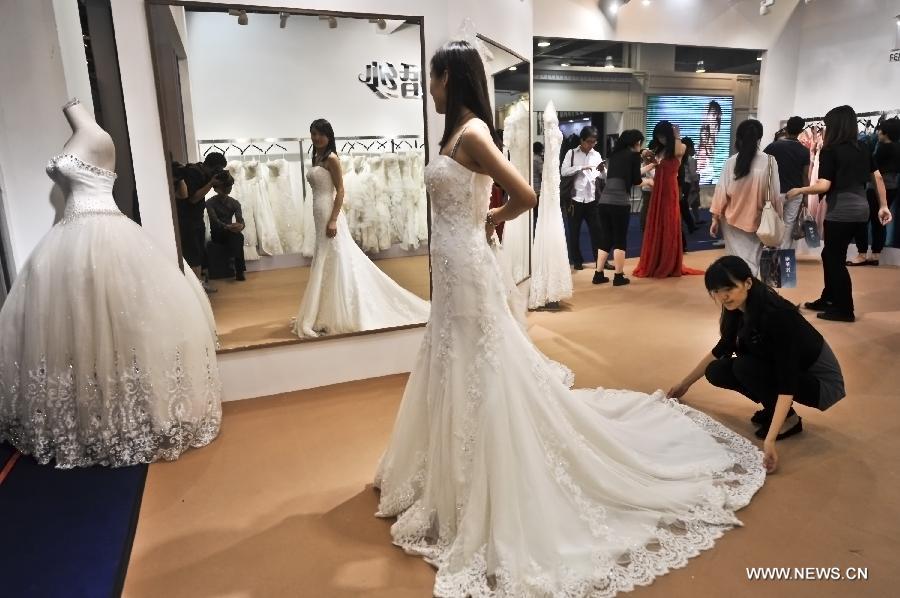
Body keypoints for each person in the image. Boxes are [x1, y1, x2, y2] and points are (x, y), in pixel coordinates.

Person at [375, 39, 764, 598]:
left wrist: (492, 220)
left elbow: (527, 193)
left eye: (434, 80)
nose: (430, 90)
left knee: (479, 363)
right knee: (453, 357)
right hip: (454, 266)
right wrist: (483, 220)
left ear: (450, 80)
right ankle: (448, 476)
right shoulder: (456, 135)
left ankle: (486, 479)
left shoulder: (475, 134)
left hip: (466, 263)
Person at [0, 98, 221, 468]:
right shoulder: (82, 133)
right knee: (78, 330)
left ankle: (129, 414)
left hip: (101, 231)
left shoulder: (96, 136)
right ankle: (85, 414)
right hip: (69, 239)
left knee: (116, 326)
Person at [669, 256, 846, 473]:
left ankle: (788, 421)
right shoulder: (738, 308)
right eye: (715, 291)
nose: (722, 296)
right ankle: (774, 409)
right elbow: (722, 348)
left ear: (748, 283)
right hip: (792, 373)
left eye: (728, 288)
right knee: (716, 371)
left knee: (745, 366)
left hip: (822, 385)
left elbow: (787, 379)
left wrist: (770, 441)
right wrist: (684, 384)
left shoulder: (777, 316)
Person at [291, 119, 430, 338]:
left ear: (329, 135)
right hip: (319, 212)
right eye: (313, 134)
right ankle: (321, 309)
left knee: (335, 256)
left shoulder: (332, 159)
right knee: (325, 257)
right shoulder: (317, 157)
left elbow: (341, 191)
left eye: (320, 134)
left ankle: (339, 309)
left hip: (329, 211)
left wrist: (334, 219)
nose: (316, 138)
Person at [787, 105, 892, 322]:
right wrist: (883, 206)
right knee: (830, 256)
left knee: (834, 259)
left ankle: (845, 309)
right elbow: (878, 177)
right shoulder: (862, 147)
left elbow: (824, 185)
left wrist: (800, 189)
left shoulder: (830, 150)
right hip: (861, 210)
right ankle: (829, 297)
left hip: (841, 212)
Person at [710, 119, 782, 277]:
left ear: (738, 138)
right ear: (759, 138)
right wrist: (778, 217)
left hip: (731, 221)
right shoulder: (770, 162)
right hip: (759, 219)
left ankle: (740, 293)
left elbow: (721, 191)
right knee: (755, 260)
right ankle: (754, 292)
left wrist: (715, 218)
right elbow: (775, 194)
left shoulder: (730, 163)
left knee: (735, 259)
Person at [633, 121, 704, 278]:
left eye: (664, 136)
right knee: (655, 224)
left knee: (670, 224)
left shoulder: (680, 147)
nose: (661, 139)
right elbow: (649, 164)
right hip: (657, 189)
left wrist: (677, 136)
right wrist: (646, 155)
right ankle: (656, 260)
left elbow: (679, 152)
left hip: (670, 190)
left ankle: (668, 262)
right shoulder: (659, 149)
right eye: (658, 136)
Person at [594, 129, 653, 286]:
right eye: (640, 142)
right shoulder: (633, 155)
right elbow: (635, 180)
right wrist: (648, 182)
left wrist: (650, 166)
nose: (640, 145)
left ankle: (598, 274)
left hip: (604, 202)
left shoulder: (614, 155)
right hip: (619, 203)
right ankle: (618, 276)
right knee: (620, 239)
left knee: (606, 237)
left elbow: (629, 173)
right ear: (635, 142)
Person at [849, 118, 900, 264]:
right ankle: (876, 254)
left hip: (876, 187)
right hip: (893, 187)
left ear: (885, 133)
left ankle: (862, 253)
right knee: (880, 220)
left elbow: (871, 168)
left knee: (863, 219)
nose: (877, 132)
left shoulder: (883, 148)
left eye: (880, 130)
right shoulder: (897, 147)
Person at [176, 152, 228, 293]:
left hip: (196, 219)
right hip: (187, 220)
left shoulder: (203, 173)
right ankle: (195, 290)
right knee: (193, 254)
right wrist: (211, 183)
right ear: (213, 167)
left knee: (199, 252)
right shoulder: (193, 173)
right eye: (218, 169)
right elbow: (193, 198)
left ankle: (199, 285)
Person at [764, 116, 811, 249]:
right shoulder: (804, 151)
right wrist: (806, 196)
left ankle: (770, 250)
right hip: (796, 192)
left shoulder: (772, 147)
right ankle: (783, 255)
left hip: (775, 191)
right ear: (801, 130)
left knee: (771, 221)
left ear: (786, 128)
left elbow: (765, 169)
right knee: (789, 223)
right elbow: (805, 175)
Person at [561, 126, 603, 270]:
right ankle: (577, 260)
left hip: (592, 198)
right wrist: (580, 168)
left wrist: (603, 171)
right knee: (574, 232)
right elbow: (564, 171)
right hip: (575, 199)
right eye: (589, 141)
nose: (591, 145)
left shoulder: (596, 154)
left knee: (597, 232)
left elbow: (603, 175)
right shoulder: (571, 153)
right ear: (582, 140)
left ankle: (600, 260)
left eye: (594, 142)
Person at [206, 172, 247, 281]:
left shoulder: (235, 203)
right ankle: (239, 270)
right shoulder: (210, 203)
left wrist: (240, 226)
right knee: (237, 237)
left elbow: (240, 220)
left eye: (229, 186)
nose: (228, 189)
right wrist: (228, 227)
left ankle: (238, 269)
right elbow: (215, 221)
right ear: (217, 189)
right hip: (217, 233)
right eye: (225, 187)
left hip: (230, 232)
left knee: (238, 236)